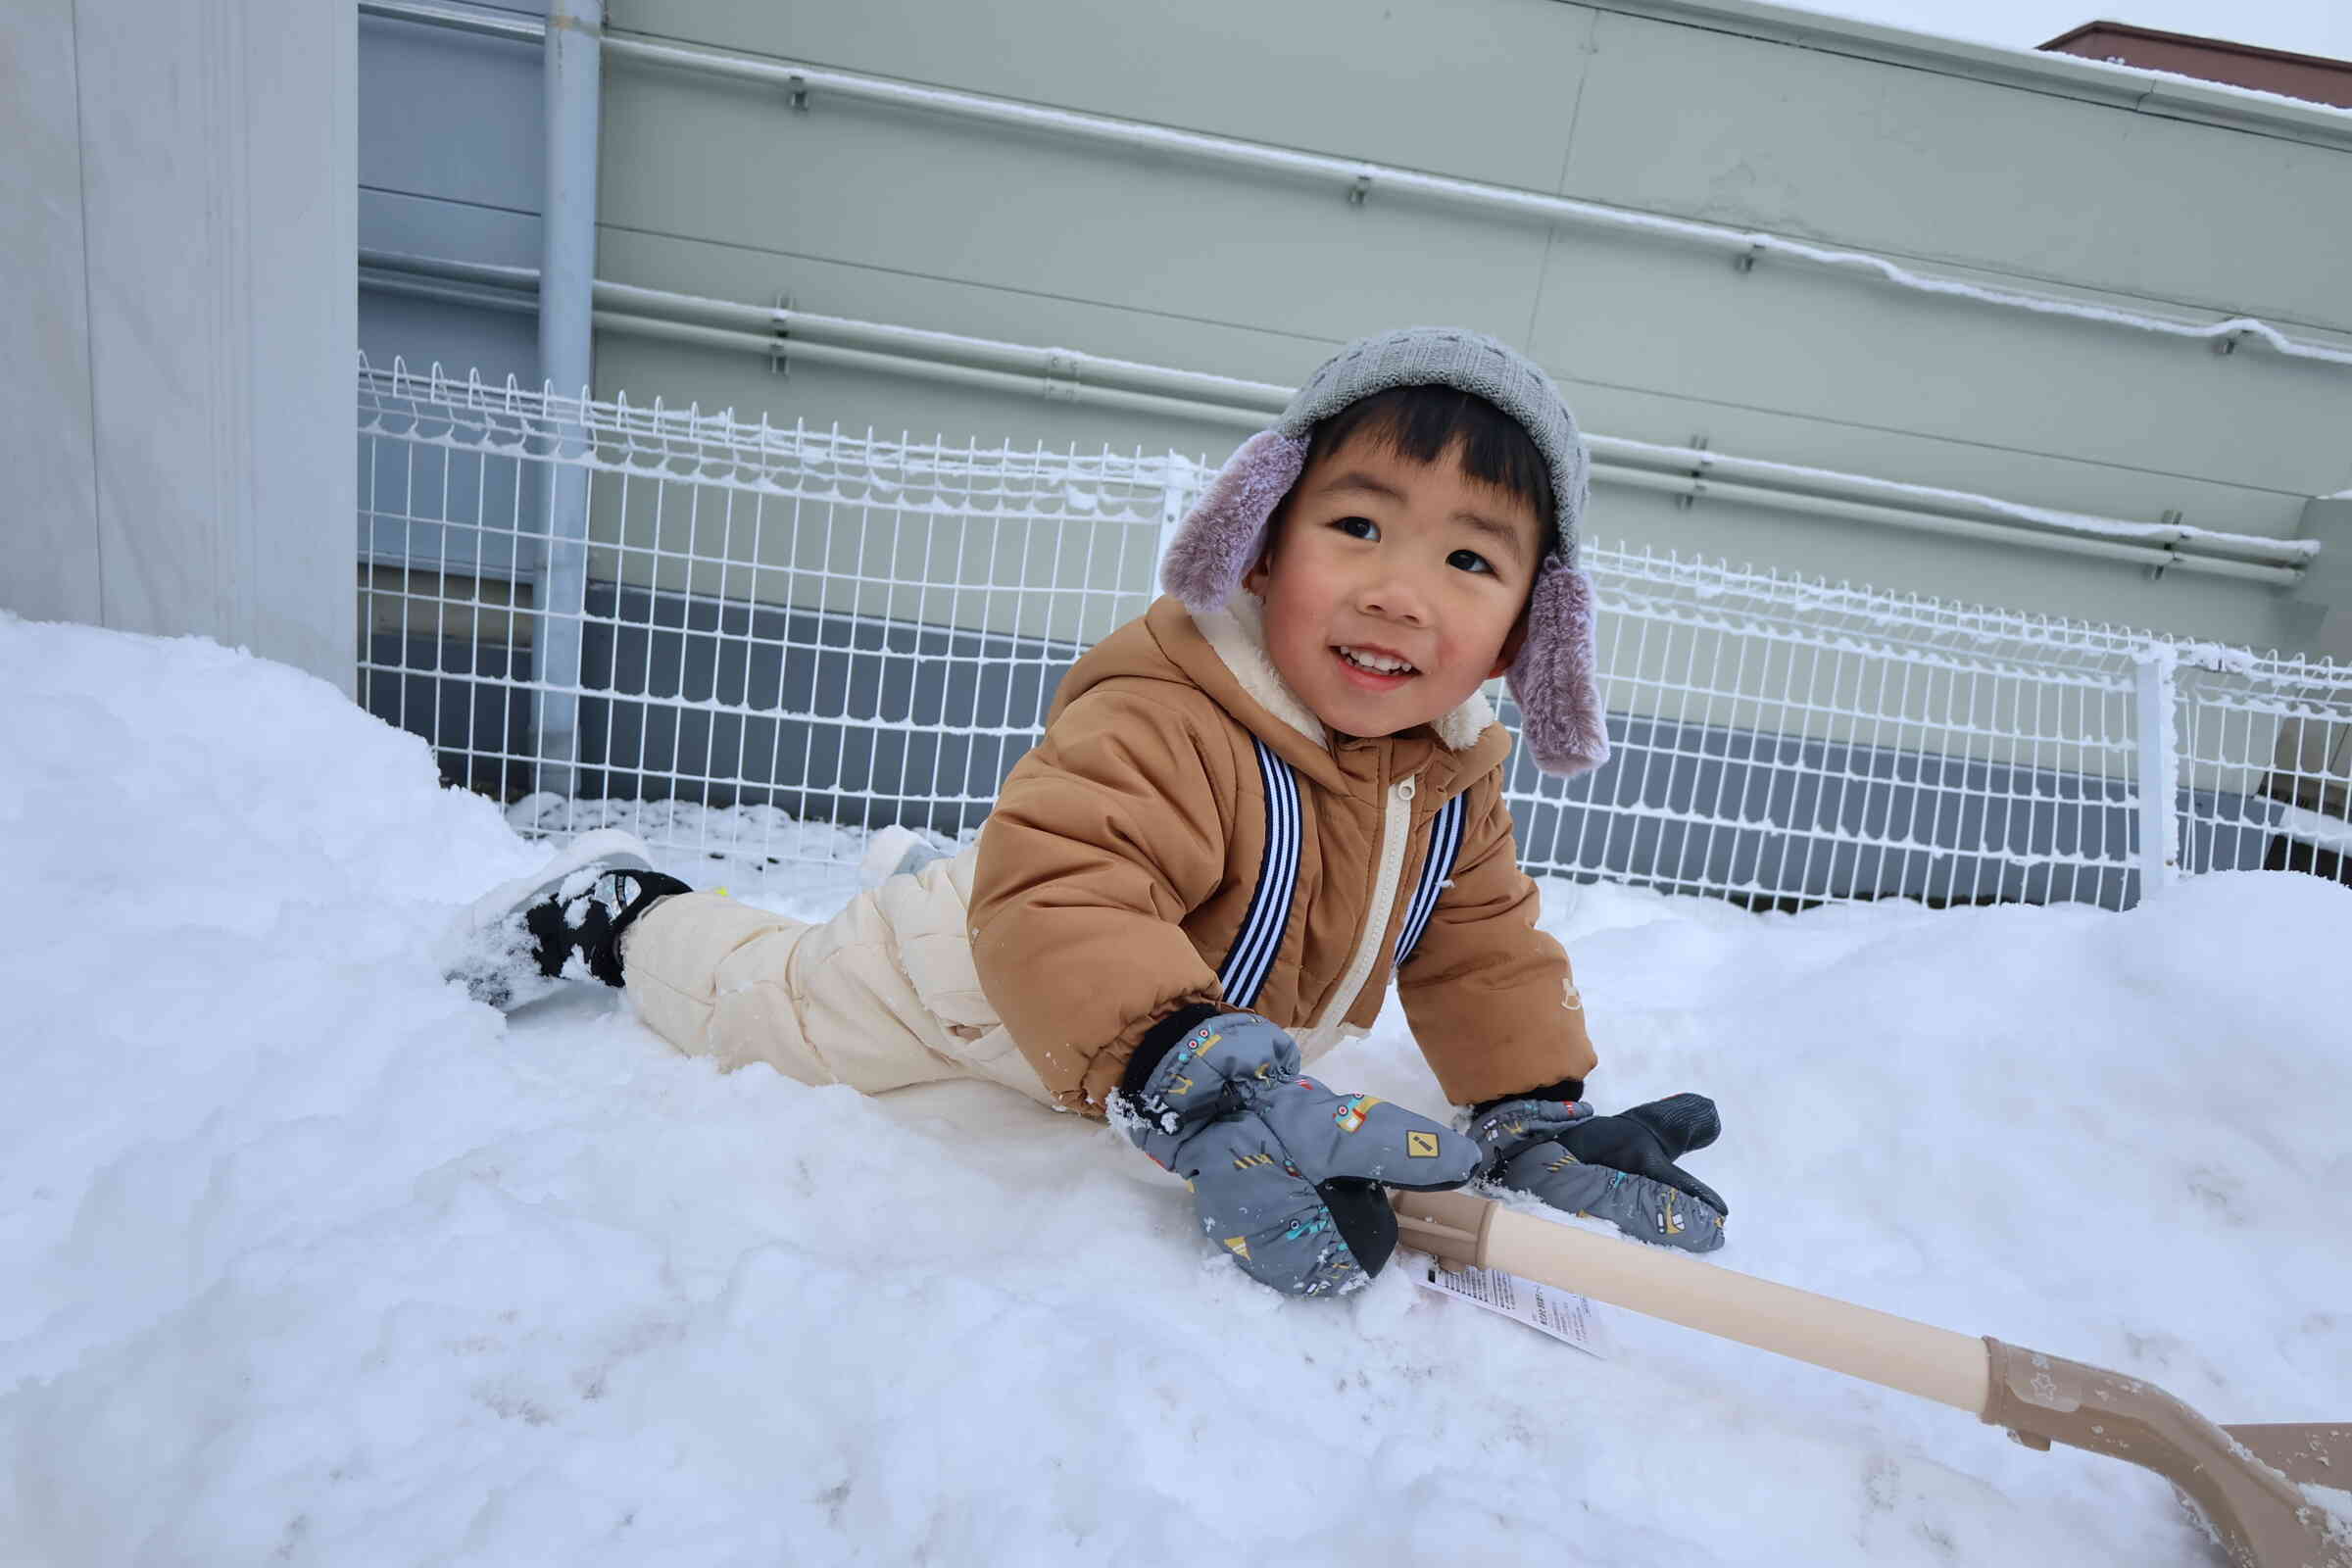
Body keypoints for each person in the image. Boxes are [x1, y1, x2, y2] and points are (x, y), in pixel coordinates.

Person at [445, 327, 1730, 1298]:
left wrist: (1532, 1107)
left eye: (1468, 559)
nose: (1402, 594)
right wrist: (1202, 1090)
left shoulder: (1451, 771)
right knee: (763, 1013)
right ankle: (616, 916)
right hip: (973, 983)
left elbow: (1481, 943)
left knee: (1048, 909)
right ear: (1263, 540)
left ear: (1526, 630)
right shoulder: (1175, 709)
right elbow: (1072, 889)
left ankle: (943, 872)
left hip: (1137, 1002)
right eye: (1357, 525)